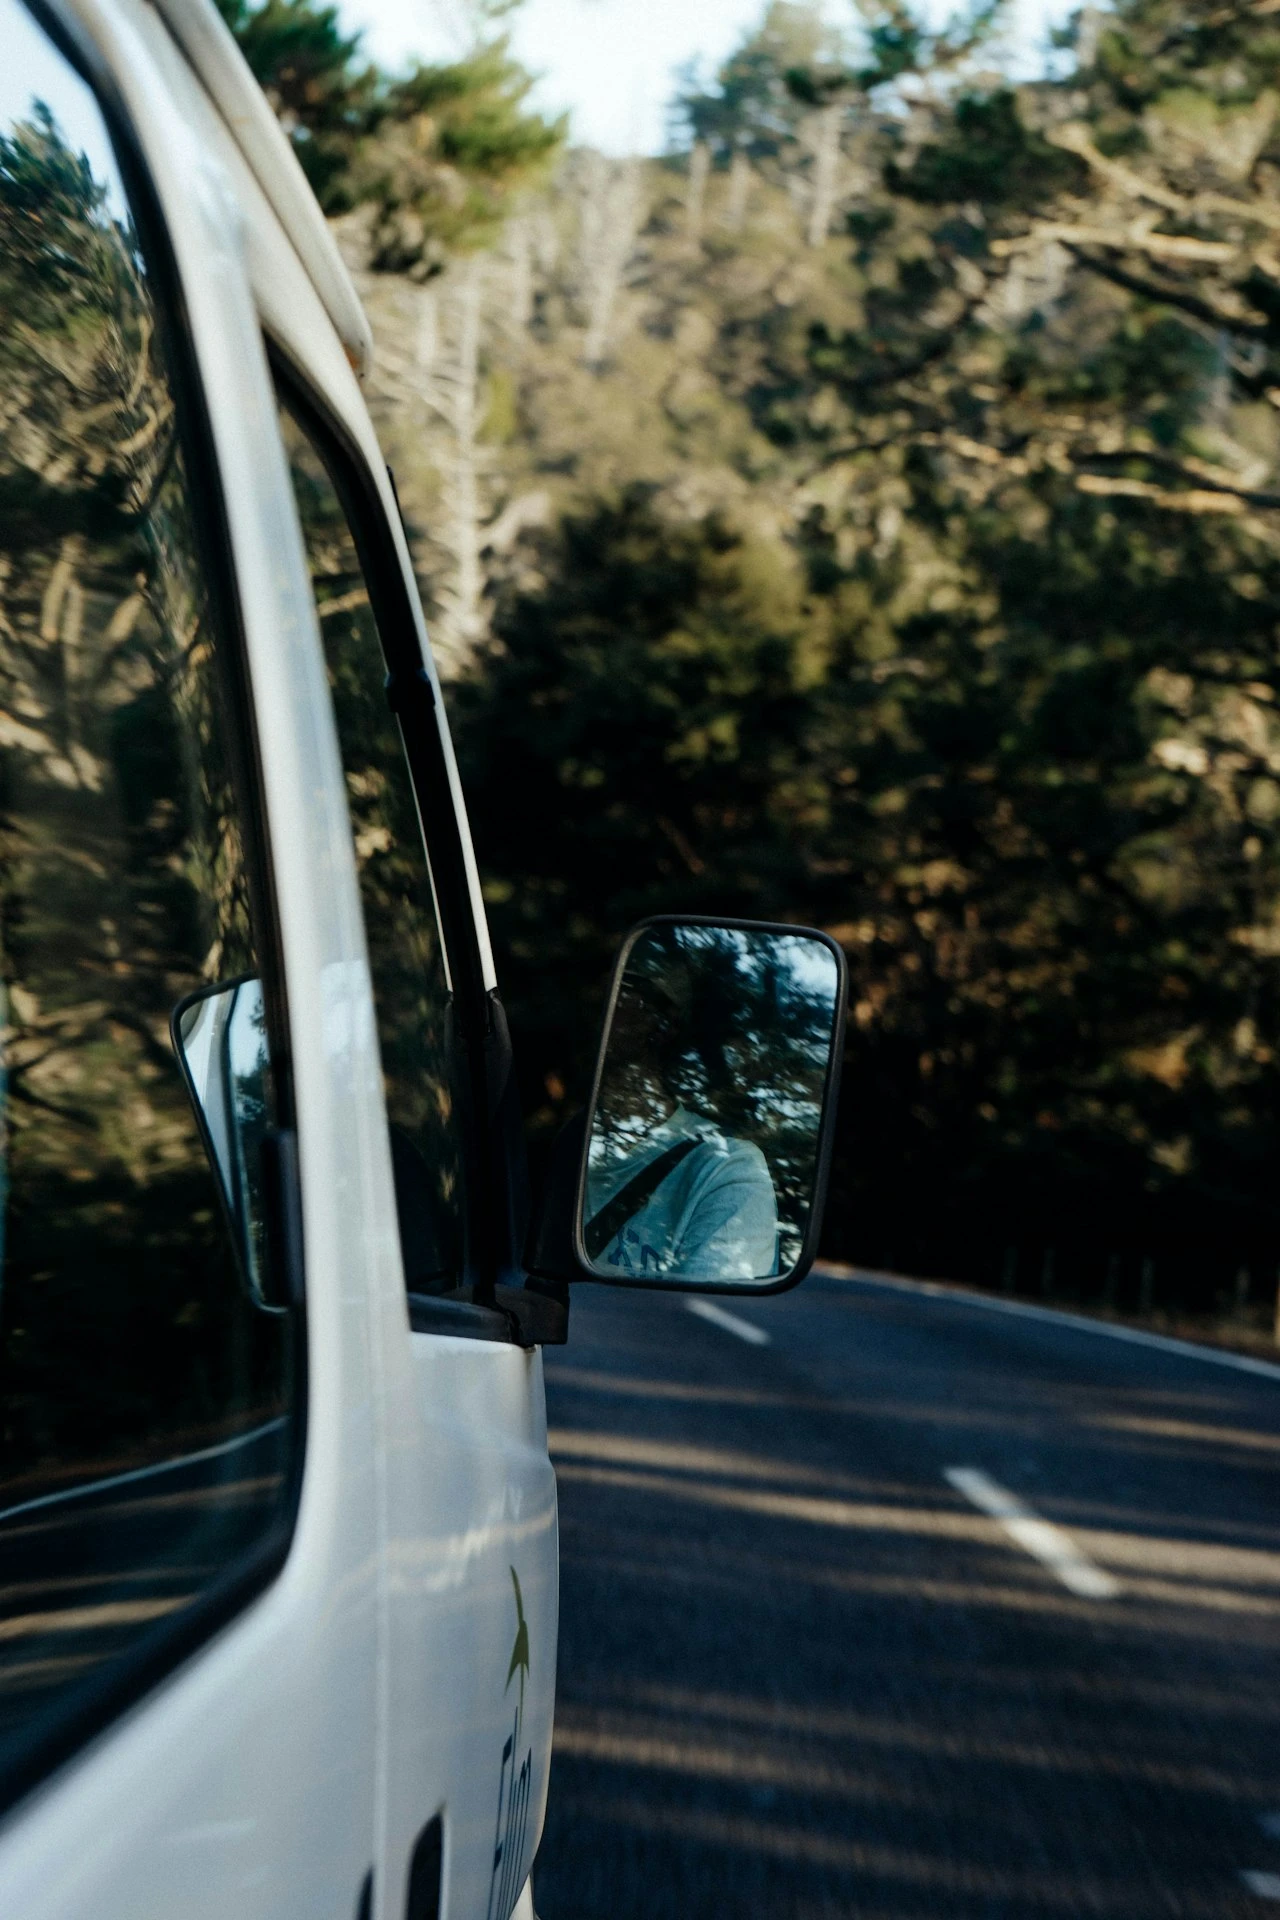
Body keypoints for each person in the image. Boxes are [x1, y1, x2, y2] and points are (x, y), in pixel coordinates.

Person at [583, 942, 778, 1281]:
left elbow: (700, 1316)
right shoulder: (548, 1153)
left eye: (625, 989)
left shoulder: (722, 1166)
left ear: (664, 1024)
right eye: (595, 990)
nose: (603, 1004)